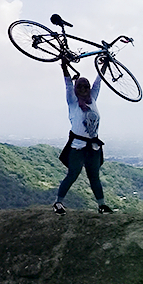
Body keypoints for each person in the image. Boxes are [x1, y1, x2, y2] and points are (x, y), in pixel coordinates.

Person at [53, 58, 114, 215]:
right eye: (80, 86)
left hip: (93, 146)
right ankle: (58, 203)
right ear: (76, 88)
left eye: (86, 86)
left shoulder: (92, 99)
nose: (83, 89)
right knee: (73, 174)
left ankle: (101, 205)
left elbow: (99, 82)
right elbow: (68, 85)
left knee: (94, 177)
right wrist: (64, 67)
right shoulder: (72, 102)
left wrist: (105, 64)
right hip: (78, 146)